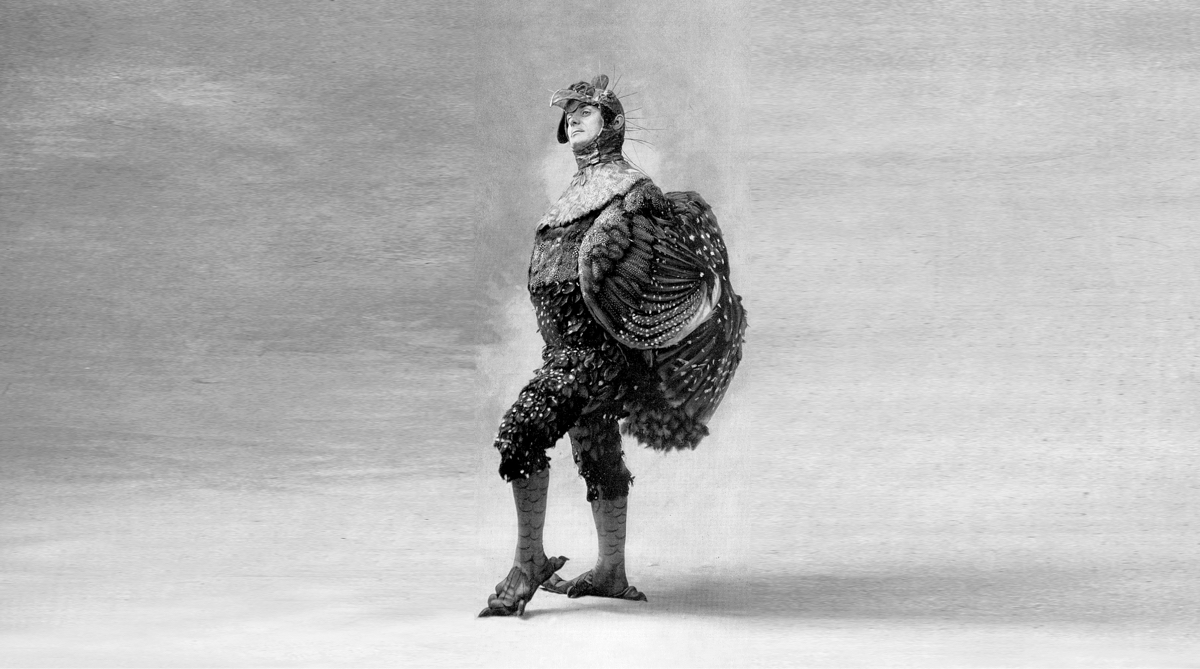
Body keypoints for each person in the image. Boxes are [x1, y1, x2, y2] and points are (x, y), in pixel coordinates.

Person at [479, 75, 746, 617]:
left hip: (594, 357)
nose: (574, 117)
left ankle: (529, 562)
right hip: (568, 354)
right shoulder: (576, 195)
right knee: (596, 451)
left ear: (613, 123)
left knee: (520, 434)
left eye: (587, 110)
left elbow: (654, 275)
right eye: (570, 112)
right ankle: (611, 573)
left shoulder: (631, 194)